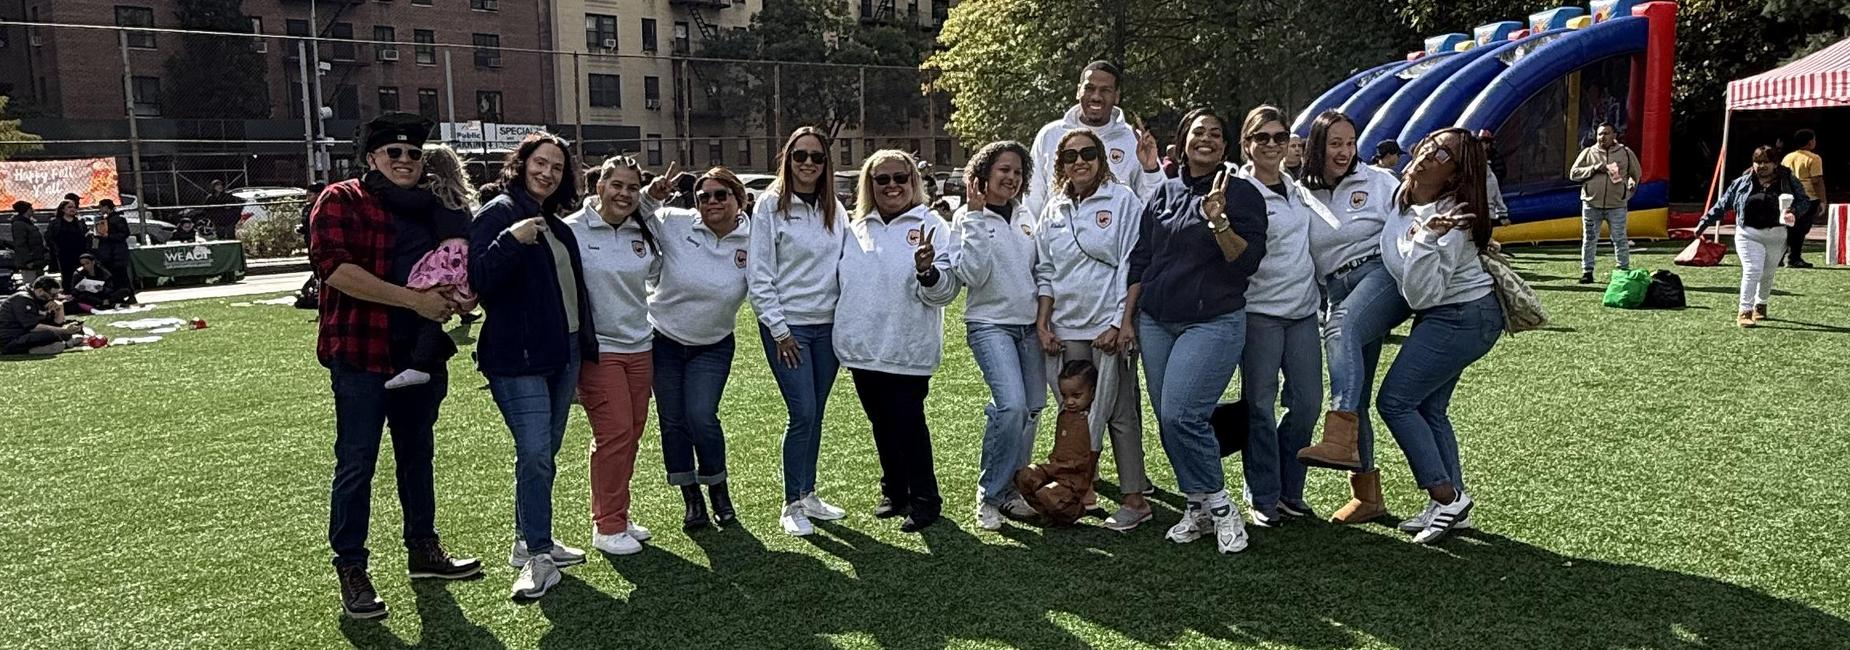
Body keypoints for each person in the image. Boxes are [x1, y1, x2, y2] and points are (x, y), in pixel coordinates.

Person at [310, 112, 481, 620]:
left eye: (413, 154)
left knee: (417, 456)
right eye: (394, 153)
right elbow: (335, 271)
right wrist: (414, 301)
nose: (405, 161)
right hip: (362, 354)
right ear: (371, 158)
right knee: (357, 462)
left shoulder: (435, 206)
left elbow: (458, 263)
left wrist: (460, 296)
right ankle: (352, 567)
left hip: (420, 355)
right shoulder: (341, 199)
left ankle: (423, 549)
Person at [1129, 108, 1267, 554]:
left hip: (1213, 320)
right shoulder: (1164, 193)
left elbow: (1246, 262)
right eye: (1197, 132)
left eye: (1215, 133)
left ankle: (1224, 509)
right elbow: (1142, 259)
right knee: (1170, 422)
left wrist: (1219, 221)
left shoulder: (1242, 194)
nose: (1205, 138)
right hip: (1155, 321)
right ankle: (1197, 505)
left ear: (1225, 147)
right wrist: (1128, 318)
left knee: (1181, 415)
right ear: (1182, 141)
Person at [469, 131, 596, 600]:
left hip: (562, 353)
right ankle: (538, 557)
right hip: (517, 358)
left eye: (557, 168)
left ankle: (527, 541)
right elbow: (476, 277)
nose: (547, 173)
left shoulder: (556, 225)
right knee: (537, 453)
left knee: (543, 454)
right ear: (521, 164)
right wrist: (510, 240)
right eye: (540, 163)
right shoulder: (500, 214)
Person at [1375, 127, 1506, 545]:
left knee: (1394, 401)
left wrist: (1429, 238)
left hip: (1463, 316)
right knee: (1430, 409)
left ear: (1454, 176)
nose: (1429, 154)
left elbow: (1420, 293)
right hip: (1446, 314)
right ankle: (1454, 505)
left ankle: (1445, 496)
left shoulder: (1454, 218)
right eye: (1430, 143)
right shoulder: (1405, 194)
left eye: (1443, 154)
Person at [1293, 110, 1413, 525]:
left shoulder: (1379, 181)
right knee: (1356, 390)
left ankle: (1339, 438)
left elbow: (1416, 219)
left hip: (1380, 273)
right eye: (1335, 144)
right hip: (1337, 288)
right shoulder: (1301, 193)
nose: (1344, 151)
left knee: (1341, 329)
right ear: (1316, 147)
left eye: (1350, 142)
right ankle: (1367, 496)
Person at [835, 149, 960, 533]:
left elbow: (946, 292)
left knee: (908, 423)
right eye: (882, 179)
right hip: (863, 348)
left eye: (899, 178)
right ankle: (895, 489)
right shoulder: (854, 228)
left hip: (908, 348)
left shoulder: (934, 226)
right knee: (880, 422)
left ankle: (925, 499)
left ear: (913, 182)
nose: (891, 186)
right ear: (868, 185)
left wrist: (927, 272)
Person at [1034, 127, 1152, 531]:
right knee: (1074, 413)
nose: (1079, 162)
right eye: (1070, 156)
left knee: (1119, 413)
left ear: (1101, 158)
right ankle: (1080, 489)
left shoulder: (1122, 201)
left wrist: (1120, 322)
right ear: (1060, 164)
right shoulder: (1053, 208)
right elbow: (1046, 270)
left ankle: (1135, 499)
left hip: (1107, 328)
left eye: (1088, 153)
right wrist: (1043, 323)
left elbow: (1131, 265)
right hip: (1066, 328)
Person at [749, 127, 852, 537]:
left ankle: (809, 492)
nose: (808, 163)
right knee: (803, 412)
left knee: (816, 413)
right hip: (788, 329)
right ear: (787, 159)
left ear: (827, 164)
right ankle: (791, 501)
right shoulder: (769, 205)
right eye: (800, 156)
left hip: (828, 329)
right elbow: (759, 276)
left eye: (817, 157)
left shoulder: (836, 209)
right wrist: (779, 330)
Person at [641, 165, 753, 531]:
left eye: (721, 195)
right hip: (664, 340)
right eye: (704, 196)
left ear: (740, 199)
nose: (711, 202)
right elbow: (630, 217)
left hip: (713, 344)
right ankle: (691, 498)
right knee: (673, 420)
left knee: (701, 416)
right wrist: (651, 196)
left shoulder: (755, 239)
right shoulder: (675, 220)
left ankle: (718, 488)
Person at [565, 155, 662, 555]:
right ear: (599, 186)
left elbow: (656, 274)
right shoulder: (572, 230)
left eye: (632, 187)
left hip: (640, 345)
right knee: (615, 433)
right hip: (598, 350)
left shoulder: (642, 229)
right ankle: (606, 527)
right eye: (616, 185)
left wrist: (651, 207)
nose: (624, 194)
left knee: (632, 434)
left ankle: (617, 512)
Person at [947, 140, 1044, 530]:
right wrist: (973, 216)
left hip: (1029, 326)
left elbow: (1039, 271)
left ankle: (1013, 489)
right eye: (1004, 170)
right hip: (989, 325)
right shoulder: (966, 219)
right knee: (1011, 407)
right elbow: (972, 275)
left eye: (1018, 172)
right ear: (982, 176)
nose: (1012, 178)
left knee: (1033, 407)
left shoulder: (1026, 217)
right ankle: (990, 493)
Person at [1232, 106, 1322, 527]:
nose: (1271, 144)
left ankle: (1290, 489)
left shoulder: (1296, 187)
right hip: (1260, 313)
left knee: (1307, 404)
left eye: (1279, 136)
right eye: (1261, 137)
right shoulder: (1238, 190)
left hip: (1303, 311)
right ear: (1247, 144)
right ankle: (1264, 494)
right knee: (1260, 409)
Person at [382, 148, 477, 390]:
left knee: (420, 296)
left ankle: (421, 362)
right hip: (461, 257)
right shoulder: (458, 197)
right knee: (437, 305)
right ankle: (426, 358)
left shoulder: (431, 192)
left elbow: (404, 201)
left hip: (446, 256)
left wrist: (379, 185)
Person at [1026, 61, 1163, 218]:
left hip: (1116, 241)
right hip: (1058, 238)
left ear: (1116, 96)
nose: (1096, 96)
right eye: (1089, 88)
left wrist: (1151, 169)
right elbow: (1032, 200)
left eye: (1105, 90)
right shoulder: (1050, 135)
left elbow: (1155, 202)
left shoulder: (1134, 140)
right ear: (1078, 91)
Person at [1694, 146, 1812, 328]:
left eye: (1766, 162)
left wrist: (1794, 212)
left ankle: (1761, 304)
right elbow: (1724, 202)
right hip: (1748, 233)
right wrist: (1704, 222)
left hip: (1777, 234)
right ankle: (1744, 311)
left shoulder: (1788, 180)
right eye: (1757, 162)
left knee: (1768, 272)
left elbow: (1804, 201)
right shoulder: (1742, 181)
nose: (1761, 166)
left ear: (1775, 163)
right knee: (1752, 270)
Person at [1013, 359, 1102, 527]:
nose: (1069, 401)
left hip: (1074, 479)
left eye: (1076, 396)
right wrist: (1052, 354)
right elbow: (1053, 376)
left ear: (1092, 392)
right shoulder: (1064, 410)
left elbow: (1106, 390)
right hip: (1055, 470)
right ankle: (1047, 512)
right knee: (1024, 475)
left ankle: (1072, 511)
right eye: (1065, 396)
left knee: (1047, 494)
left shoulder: (1093, 416)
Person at [1568, 122, 1640, 284]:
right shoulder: (1588, 152)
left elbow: (1635, 175)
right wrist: (1593, 168)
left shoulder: (1625, 153)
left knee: (1620, 238)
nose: (1603, 137)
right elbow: (1574, 174)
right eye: (1600, 134)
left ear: (1614, 135)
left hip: (1617, 205)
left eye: (1606, 133)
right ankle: (1587, 271)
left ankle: (1623, 270)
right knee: (1590, 238)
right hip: (1591, 203)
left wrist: (1629, 189)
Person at [0, 276, 80, 356]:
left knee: (68, 328)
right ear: (40, 291)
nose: (55, 298)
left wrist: (60, 308)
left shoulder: (40, 299)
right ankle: (60, 345)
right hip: (10, 340)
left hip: (25, 334)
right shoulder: (22, 299)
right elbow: (33, 327)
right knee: (50, 334)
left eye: (57, 295)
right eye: (53, 295)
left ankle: (57, 343)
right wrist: (63, 330)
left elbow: (56, 324)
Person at [1780, 129, 1824, 268]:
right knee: (1801, 228)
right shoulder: (1814, 158)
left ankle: (1781, 256)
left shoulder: (1788, 157)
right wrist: (1823, 200)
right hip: (1808, 196)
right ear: (1810, 142)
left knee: (1787, 227)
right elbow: (1817, 180)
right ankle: (1794, 257)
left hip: (1789, 196)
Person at [93, 199, 133, 303]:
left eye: (101, 207)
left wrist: (108, 236)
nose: (100, 209)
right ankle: (118, 296)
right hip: (108, 253)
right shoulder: (102, 220)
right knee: (114, 277)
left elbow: (124, 234)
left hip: (117, 253)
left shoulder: (117, 219)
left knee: (121, 276)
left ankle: (128, 295)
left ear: (107, 207)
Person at [45, 200, 89, 294]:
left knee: (81, 275)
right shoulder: (55, 222)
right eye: (69, 207)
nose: (72, 209)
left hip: (79, 253)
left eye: (74, 207)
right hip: (64, 254)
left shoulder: (79, 222)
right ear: (63, 209)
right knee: (67, 276)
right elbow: (49, 237)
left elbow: (85, 235)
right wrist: (55, 249)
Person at [67, 253, 133, 312]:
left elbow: (111, 288)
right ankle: (105, 304)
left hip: (103, 295)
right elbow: (73, 291)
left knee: (125, 291)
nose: (85, 266)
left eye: (87, 263)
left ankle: (107, 303)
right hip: (90, 296)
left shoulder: (102, 271)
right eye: (83, 264)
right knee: (82, 297)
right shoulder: (78, 273)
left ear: (93, 262)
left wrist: (103, 289)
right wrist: (79, 289)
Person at [10, 201, 49, 285]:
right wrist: (28, 261)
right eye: (30, 208)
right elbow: (21, 244)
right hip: (29, 263)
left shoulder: (28, 223)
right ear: (25, 210)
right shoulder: (19, 224)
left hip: (37, 260)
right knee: (31, 284)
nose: (33, 210)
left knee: (39, 284)